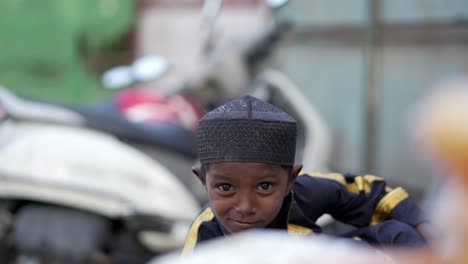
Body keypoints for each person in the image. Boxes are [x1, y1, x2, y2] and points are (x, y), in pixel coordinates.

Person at [183, 95, 428, 254]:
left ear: (291, 180)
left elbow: (367, 192)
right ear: (203, 180)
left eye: (265, 187)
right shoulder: (205, 236)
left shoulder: (304, 194)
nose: (246, 206)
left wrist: (425, 228)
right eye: (226, 188)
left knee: (398, 233)